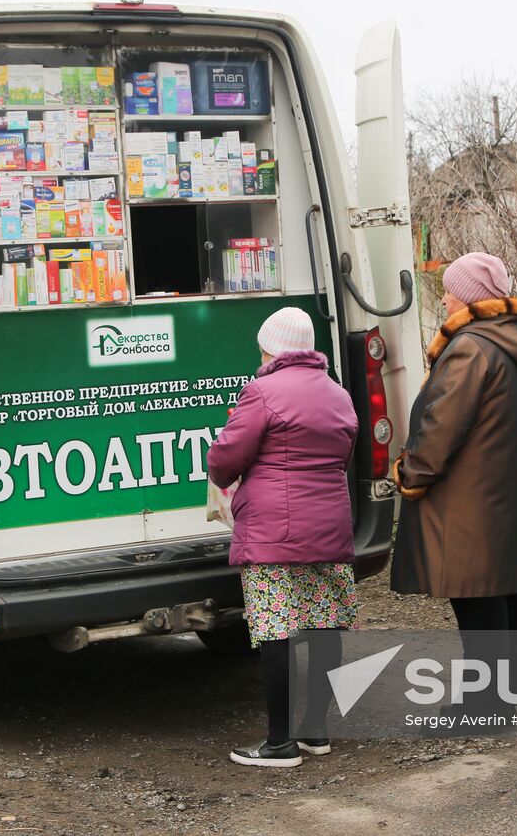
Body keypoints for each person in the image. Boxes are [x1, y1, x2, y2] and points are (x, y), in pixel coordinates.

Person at [390, 252, 517, 722]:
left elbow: (442, 423)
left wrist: (410, 473)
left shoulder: (471, 347)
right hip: (494, 491)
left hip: (463, 495)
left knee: (476, 599)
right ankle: (501, 697)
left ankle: (485, 704)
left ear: (471, 297)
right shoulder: (509, 340)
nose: (448, 297)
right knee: (500, 592)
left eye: (453, 290)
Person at [207, 306, 359, 769]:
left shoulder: (262, 392)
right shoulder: (338, 394)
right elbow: (344, 455)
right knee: (323, 624)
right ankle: (316, 730)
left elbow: (224, 461)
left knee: (276, 631)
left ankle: (279, 743)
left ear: (270, 347)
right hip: (329, 524)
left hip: (274, 530)